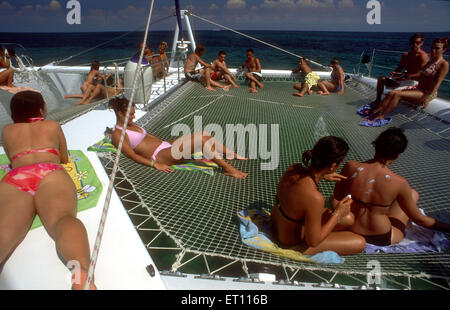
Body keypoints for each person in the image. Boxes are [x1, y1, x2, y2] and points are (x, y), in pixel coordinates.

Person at [0, 91, 96, 289]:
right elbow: (63, 157)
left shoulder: (7, 130)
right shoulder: (52, 125)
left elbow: (12, 159)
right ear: (41, 109)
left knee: (3, 230)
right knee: (62, 219)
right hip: (49, 172)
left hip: (18, 177)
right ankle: (81, 275)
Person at [332, 127, 450, 246]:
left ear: (375, 145)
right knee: (412, 194)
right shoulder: (399, 182)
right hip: (378, 236)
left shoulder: (350, 166)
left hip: (349, 226)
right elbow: (420, 220)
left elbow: (336, 197)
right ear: (398, 155)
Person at [271, 136, 366, 255]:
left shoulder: (294, 168)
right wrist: (337, 214)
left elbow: (300, 191)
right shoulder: (315, 197)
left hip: (275, 225)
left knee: (349, 219)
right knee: (359, 242)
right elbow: (313, 242)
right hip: (289, 243)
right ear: (332, 166)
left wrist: (323, 175)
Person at [109, 97, 247, 178]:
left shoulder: (131, 124)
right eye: (131, 114)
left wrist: (168, 143)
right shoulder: (118, 134)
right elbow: (132, 155)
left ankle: (229, 153)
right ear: (120, 113)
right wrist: (155, 164)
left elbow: (148, 137)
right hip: (160, 156)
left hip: (165, 146)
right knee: (201, 142)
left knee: (204, 134)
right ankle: (227, 169)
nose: (134, 117)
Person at [367, 38, 449, 124]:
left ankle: (381, 117)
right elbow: (419, 74)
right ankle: (375, 112)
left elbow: (437, 83)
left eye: (437, 48)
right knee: (392, 93)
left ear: (444, 50)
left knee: (397, 94)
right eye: (432, 47)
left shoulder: (444, 64)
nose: (433, 50)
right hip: (418, 89)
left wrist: (428, 99)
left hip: (426, 93)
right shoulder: (430, 62)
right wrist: (405, 77)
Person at [368, 33, 429, 111]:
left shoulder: (423, 57)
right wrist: (395, 73)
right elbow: (399, 69)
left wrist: (407, 76)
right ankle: (377, 100)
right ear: (410, 43)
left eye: (417, 42)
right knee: (381, 79)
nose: (415, 44)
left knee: (393, 93)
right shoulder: (405, 56)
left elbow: (422, 74)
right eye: (413, 42)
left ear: (422, 43)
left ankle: (381, 109)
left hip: (414, 82)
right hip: (404, 79)